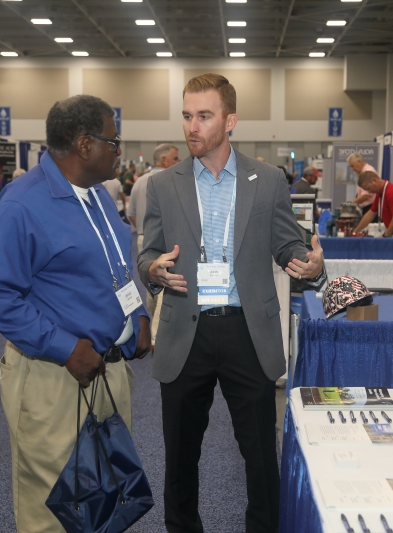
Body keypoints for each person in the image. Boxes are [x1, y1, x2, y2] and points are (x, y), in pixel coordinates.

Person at [138, 73, 326, 533]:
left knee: (261, 458)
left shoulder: (268, 180)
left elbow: (287, 244)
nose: (192, 126)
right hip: (186, 331)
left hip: (247, 330)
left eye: (204, 116)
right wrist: (152, 269)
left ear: (230, 121)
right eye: (187, 116)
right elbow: (147, 253)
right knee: (180, 458)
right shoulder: (163, 185)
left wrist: (309, 264)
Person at [0, 94, 151, 533]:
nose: (119, 150)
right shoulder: (22, 204)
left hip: (108, 372)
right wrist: (65, 348)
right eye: (114, 141)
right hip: (54, 378)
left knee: (106, 501)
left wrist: (138, 316)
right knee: (55, 512)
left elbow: (116, 267)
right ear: (84, 144)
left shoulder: (100, 196)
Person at [128, 143, 179, 347]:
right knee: (165, 286)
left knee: (150, 282)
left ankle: (154, 331)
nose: (178, 162)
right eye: (175, 158)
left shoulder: (139, 181)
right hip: (166, 241)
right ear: (164, 160)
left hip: (143, 238)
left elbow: (131, 213)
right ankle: (158, 338)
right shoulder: (172, 181)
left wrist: (145, 231)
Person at [352, 171, 393, 237]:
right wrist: (355, 232)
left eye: (368, 188)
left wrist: (385, 235)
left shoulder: (392, 192)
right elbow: (370, 215)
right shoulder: (380, 194)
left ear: (374, 181)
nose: (369, 192)